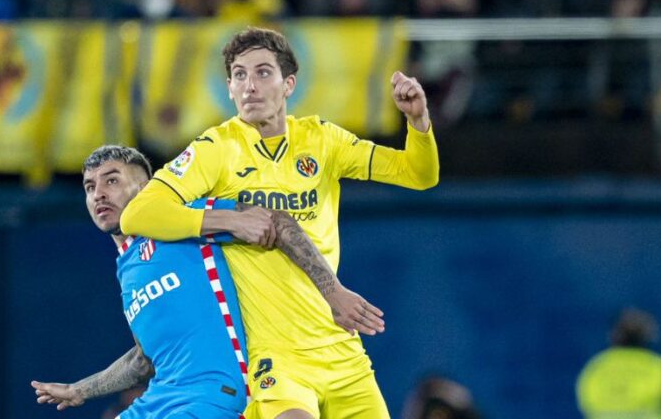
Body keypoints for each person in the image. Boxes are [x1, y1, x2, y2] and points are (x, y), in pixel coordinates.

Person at [121, 27, 439, 419]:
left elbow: (418, 174)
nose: (249, 86)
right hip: (274, 358)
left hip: (341, 351)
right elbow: (137, 214)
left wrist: (418, 121)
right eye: (239, 75)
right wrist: (227, 221)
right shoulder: (217, 149)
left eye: (262, 73)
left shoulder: (323, 140)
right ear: (229, 87)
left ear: (289, 84)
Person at [32, 145, 381, 417]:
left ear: (147, 186)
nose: (98, 195)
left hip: (215, 395)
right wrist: (81, 390)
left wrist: (333, 291)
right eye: (90, 187)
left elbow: (277, 221)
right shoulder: (128, 268)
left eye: (112, 180)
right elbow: (145, 360)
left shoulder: (184, 220)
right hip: (161, 398)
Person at [576, 308, 661, 419]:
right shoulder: (659, 366)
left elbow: (585, 400)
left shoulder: (595, 366)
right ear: (646, 335)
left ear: (614, 335)